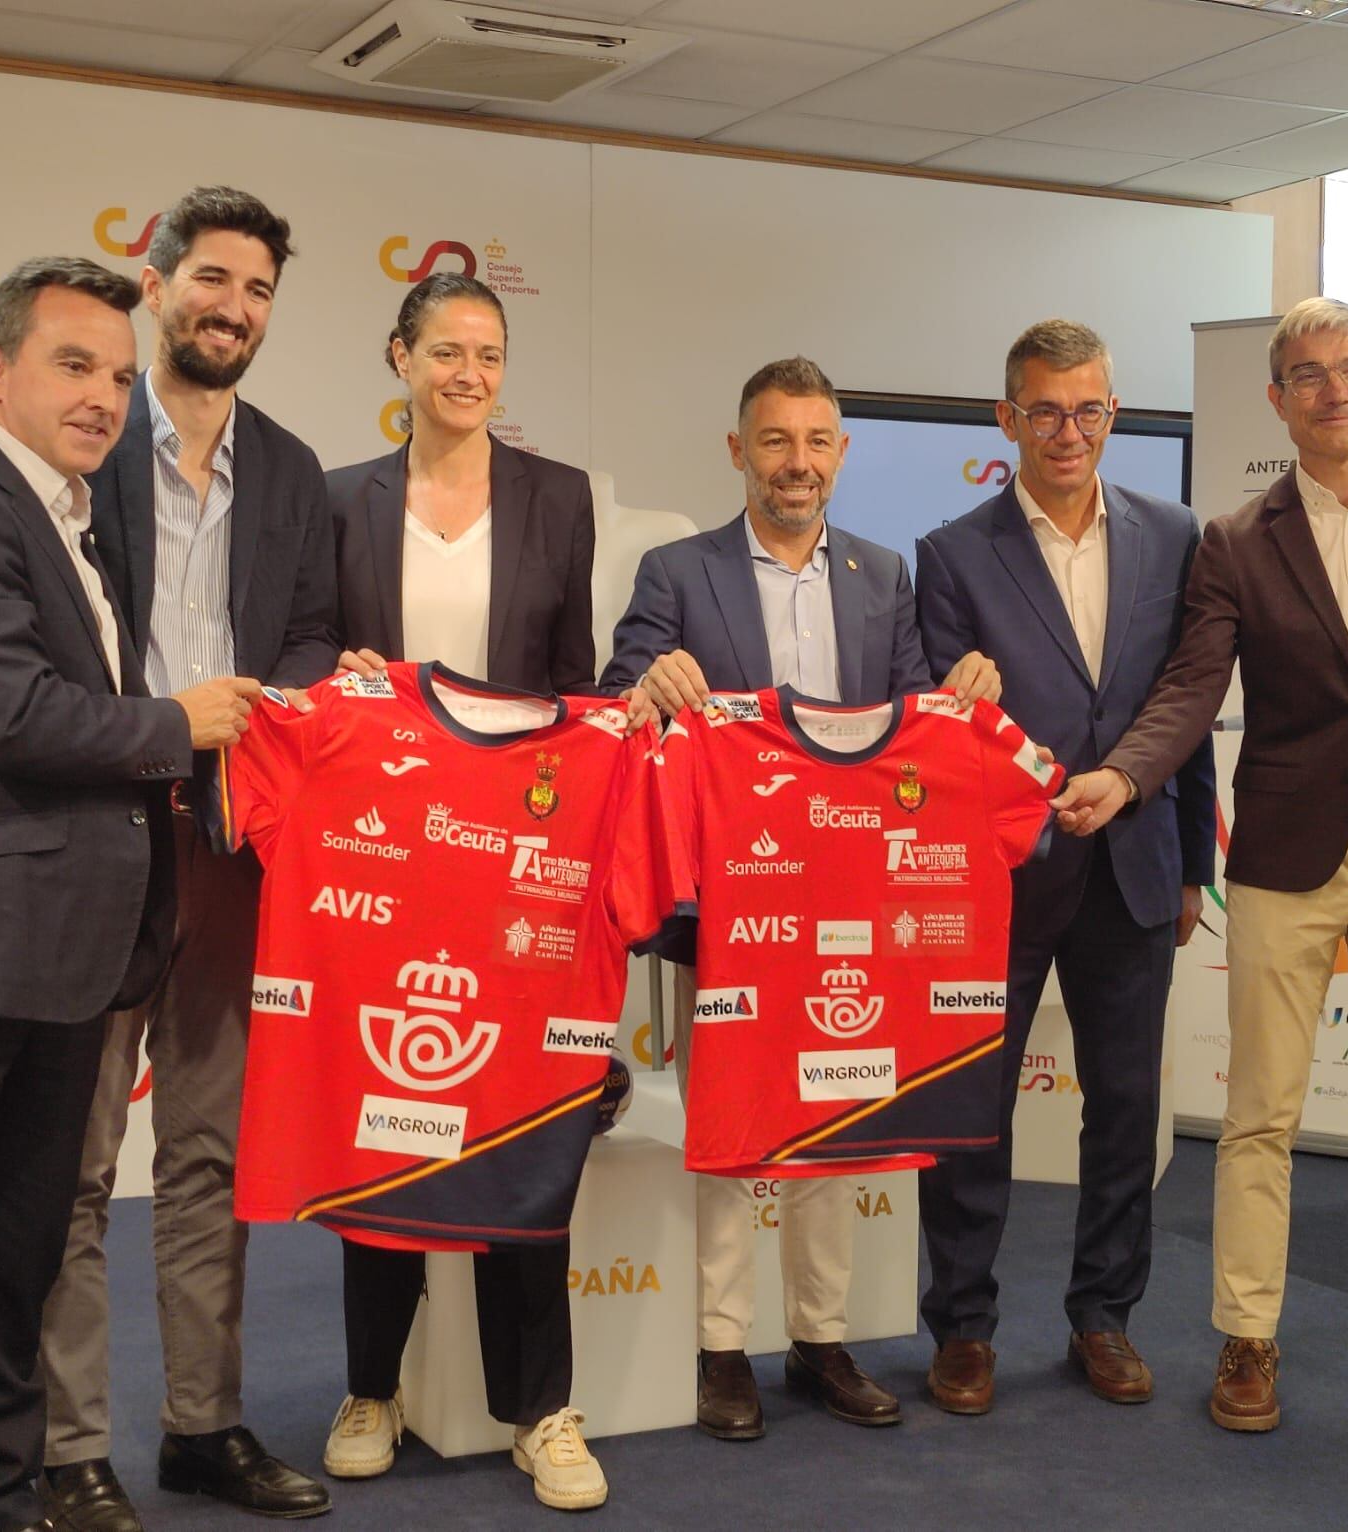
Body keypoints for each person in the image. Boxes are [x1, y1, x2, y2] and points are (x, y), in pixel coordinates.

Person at [0, 187, 337, 1528]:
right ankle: (70, 1448)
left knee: (200, 1159)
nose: (233, 306)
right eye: (210, 278)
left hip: (224, 853)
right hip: (65, 860)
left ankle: (203, 1427)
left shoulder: (287, 465)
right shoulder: (76, 445)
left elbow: (317, 633)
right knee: (63, 1181)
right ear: (157, 288)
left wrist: (301, 704)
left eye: (259, 288)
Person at [1055, 296, 1348, 1434]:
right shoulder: (1232, 539)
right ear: (1275, 398)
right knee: (1260, 1112)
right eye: (1308, 374)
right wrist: (1124, 777)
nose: (1333, 390)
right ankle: (1246, 1339)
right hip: (1282, 852)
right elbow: (1188, 688)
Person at [602, 356, 1000, 1442]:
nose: (797, 462)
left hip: (854, 905)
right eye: (775, 440)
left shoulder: (881, 573)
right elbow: (615, 692)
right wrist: (649, 684)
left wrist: (960, 695)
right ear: (738, 450)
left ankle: (820, 1338)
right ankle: (723, 1344)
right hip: (725, 908)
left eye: (817, 440)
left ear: (841, 452)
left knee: (835, 1112)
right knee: (731, 1130)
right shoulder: (676, 570)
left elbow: (912, 720)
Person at [319, 272, 608, 1512]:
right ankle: (369, 1385)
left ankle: (541, 1407)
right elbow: (294, 665)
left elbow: (576, 685)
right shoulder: (336, 502)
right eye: (445, 351)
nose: (469, 374)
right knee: (390, 1118)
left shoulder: (558, 496)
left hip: (518, 869)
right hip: (386, 865)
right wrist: (327, 673)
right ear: (399, 359)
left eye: (488, 354)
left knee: (526, 1133)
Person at [912, 320, 1216, 1416]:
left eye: (1086, 409)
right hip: (997, 876)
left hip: (1133, 867)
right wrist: (957, 699)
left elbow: (1186, 713)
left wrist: (1191, 864)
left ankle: (1103, 1315)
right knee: (969, 1108)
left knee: (1124, 1106)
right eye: (1042, 409)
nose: (1066, 431)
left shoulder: (1174, 535)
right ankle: (962, 1325)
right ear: (1006, 419)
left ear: (1110, 415)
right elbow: (937, 730)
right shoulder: (949, 552)